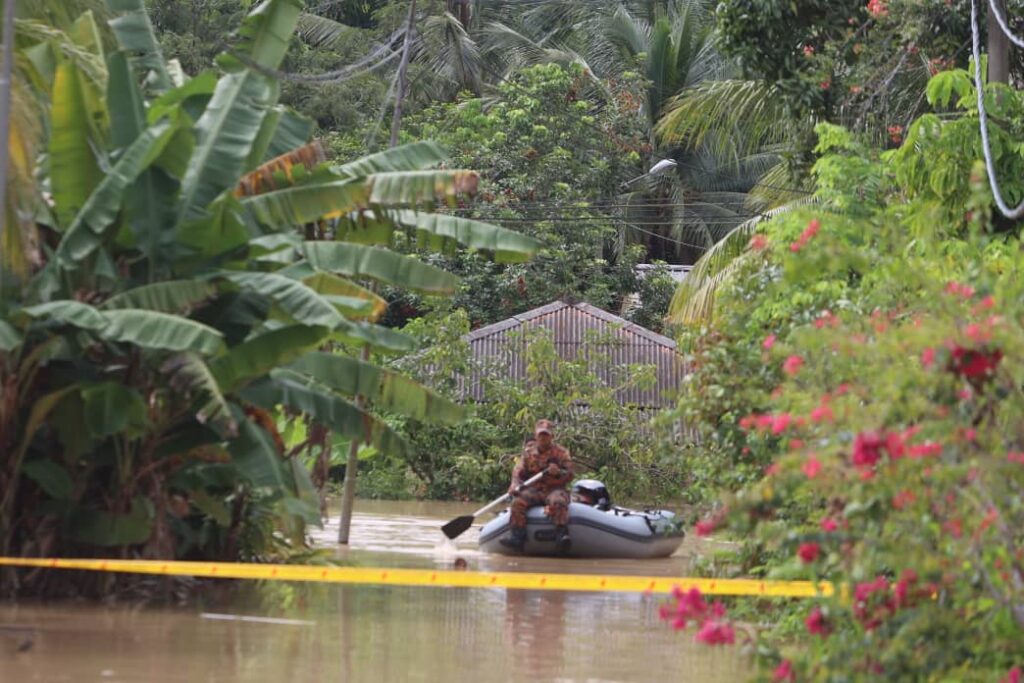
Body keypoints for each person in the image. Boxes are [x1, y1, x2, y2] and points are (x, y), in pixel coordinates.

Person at [501, 419, 573, 553]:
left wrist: (558, 472)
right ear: (536, 435)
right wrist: (515, 483)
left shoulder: (561, 453)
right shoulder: (529, 452)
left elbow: (570, 474)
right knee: (517, 502)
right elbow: (518, 471)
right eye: (541, 435)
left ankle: (561, 534)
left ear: (552, 436)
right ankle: (518, 536)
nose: (543, 438)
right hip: (534, 489)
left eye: (546, 435)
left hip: (554, 489)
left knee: (558, 501)